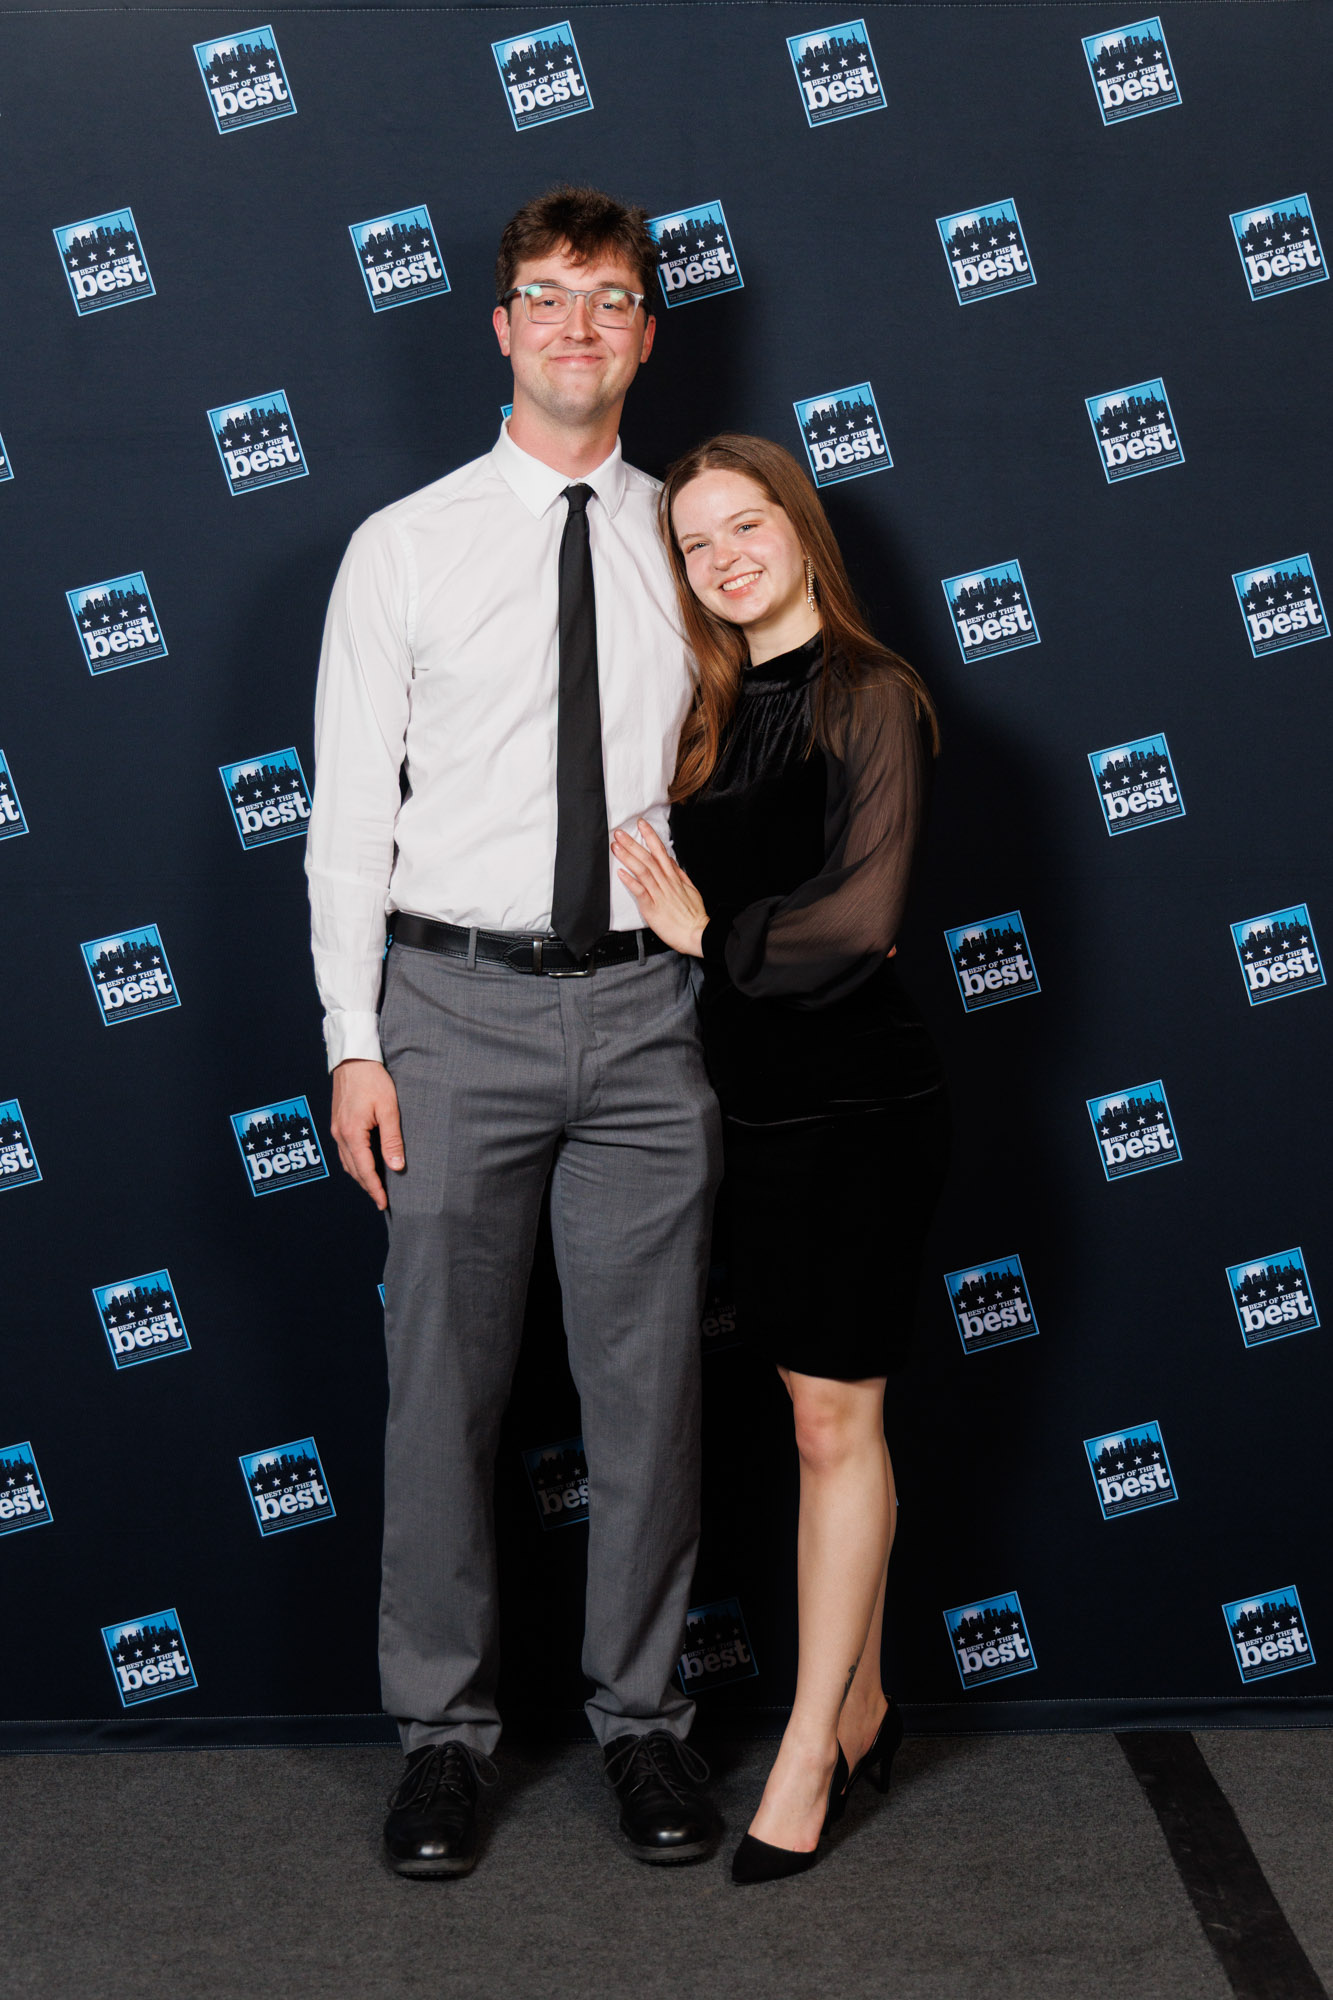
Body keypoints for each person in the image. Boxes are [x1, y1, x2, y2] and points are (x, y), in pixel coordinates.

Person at [306, 187, 722, 1879]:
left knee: (649, 1398)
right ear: (498, 326)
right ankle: (442, 1741)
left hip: (641, 1018)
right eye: (546, 296)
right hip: (449, 1011)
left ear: (645, 334)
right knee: (441, 1399)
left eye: (608, 299)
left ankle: (645, 1723)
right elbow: (348, 819)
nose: (575, 326)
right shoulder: (402, 546)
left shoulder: (694, 539)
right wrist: (353, 1040)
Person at [612, 434, 948, 1884]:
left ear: (799, 528)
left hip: (859, 1106)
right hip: (742, 1107)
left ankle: (809, 1752)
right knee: (818, 1420)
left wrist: (708, 936)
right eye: (695, 542)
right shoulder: (710, 706)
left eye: (746, 525)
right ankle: (863, 1704)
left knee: (831, 1425)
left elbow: (862, 918)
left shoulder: (870, 692)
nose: (724, 558)